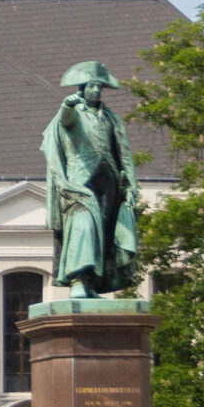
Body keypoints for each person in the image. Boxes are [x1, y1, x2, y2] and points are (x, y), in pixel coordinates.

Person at [40, 59, 139, 297]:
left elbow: (124, 153)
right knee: (82, 224)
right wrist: (66, 105)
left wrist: (132, 186)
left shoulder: (111, 118)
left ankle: (93, 283)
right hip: (78, 181)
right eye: (92, 86)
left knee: (103, 234)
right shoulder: (73, 111)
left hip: (109, 182)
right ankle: (78, 280)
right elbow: (65, 121)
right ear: (82, 88)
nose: (96, 90)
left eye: (99, 86)